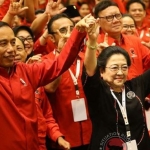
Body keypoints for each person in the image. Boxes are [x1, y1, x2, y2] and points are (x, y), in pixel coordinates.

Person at [0, 13, 91, 149]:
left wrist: (77, 33)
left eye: (13, 43)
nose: (11, 49)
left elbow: (59, 64)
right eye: (3, 44)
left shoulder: (26, 71)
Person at [82, 21, 150, 149]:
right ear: (101, 71)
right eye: (114, 68)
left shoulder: (136, 86)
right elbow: (90, 70)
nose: (120, 72)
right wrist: (92, 42)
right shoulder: (97, 90)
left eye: (124, 67)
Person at [43, 13, 92, 150]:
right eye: (63, 30)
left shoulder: (86, 58)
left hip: (91, 134)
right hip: (63, 138)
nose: (70, 34)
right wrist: (62, 55)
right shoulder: (45, 62)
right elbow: (50, 88)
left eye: (72, 28)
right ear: (52, 38)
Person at [15, 37, 70, 150]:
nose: (14, 52)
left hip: (40, 143)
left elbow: (47, 116)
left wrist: (57, 136)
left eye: (19, 48)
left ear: (26, 52)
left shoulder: (37, 84)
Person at [94, 0, 150, 80]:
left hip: (137, 90)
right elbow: (91, 75)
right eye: (109, 17)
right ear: (98, 22)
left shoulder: (135, 41)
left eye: (118, 15)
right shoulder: (95, 45)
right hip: (109, 91)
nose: (116, 20)